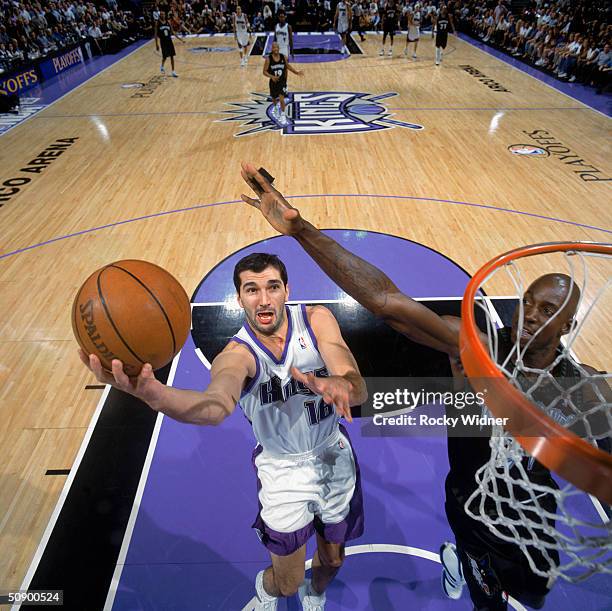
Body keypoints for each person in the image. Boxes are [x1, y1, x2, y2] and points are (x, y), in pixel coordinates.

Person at [239, 163, 609, 611]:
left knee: (534, 596)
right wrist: (301, 231)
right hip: (471, 508)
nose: (529, 315)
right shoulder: (472, 349)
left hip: (531, 515)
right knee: (489, 605)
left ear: (568, 324)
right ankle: (464, 558)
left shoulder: (582, 389)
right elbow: (386, 301)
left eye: (546, 310)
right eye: (527, 302)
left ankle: (459, 560)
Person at [79, 252, 366, 611]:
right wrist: (154, 394)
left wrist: (344, 386)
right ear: (239, 298)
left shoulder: (316, 320)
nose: (264, 299)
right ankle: (267, 589)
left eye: (272, 287)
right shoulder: (236, 354)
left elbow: (356, 383)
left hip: (332, 455)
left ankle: (318, 594)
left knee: (334, 561)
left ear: (287, 291)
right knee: (288, 582)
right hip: (283, 471)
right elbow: (215, 408)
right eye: (252, 289)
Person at [263, 41, 303, 126]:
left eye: (277, 47)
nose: (276, 49)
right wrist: (272, 77)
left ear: (278, 48)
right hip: (273, 82)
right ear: (272, 49)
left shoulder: (283, 57)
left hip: (282, 82)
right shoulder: (268, 59)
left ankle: (283, 114)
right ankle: (276, 109)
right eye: (274, 47)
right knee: (274, 98)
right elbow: (264, 72)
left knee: (281, 98)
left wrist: (296, 72)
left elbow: (288, 66)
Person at [155, 11, 184, 77]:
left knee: (172, 56)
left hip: (169, 41)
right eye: (161, 14)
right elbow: (155, 34)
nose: (162, 15)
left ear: (165, 15)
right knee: (165, 57)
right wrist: (156, 44)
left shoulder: (168, 22)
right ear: (160, 15)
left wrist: (180, 39)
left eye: (163, 14)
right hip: (163, 42)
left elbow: (173, 32)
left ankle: (173, 71)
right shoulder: (157, 23)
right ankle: (162, 66)